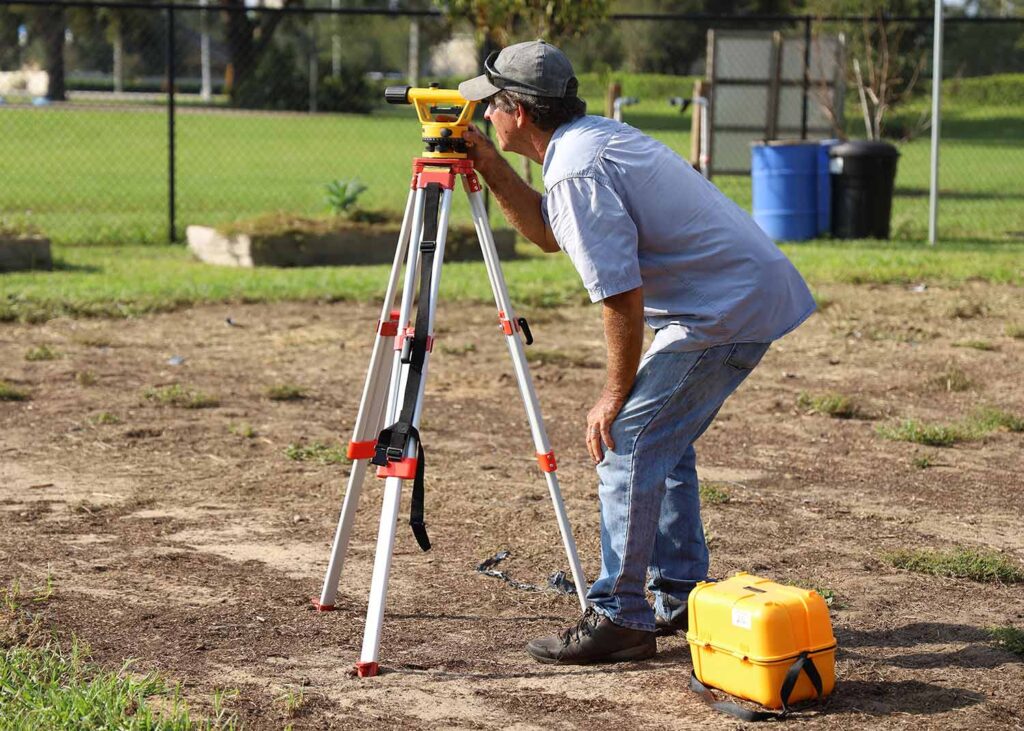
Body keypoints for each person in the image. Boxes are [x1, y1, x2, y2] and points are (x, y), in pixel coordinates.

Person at [458, 41, 815, 665]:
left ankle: (620, 615)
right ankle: (677, 593)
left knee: (625, 439)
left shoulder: (577, 168)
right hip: (730, 300)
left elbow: (620, 295)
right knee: (659, 444)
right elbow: (548, 233)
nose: (483, 115)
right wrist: (486, 163)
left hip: (721, 312)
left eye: (490, 106)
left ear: (519, 109)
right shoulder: (584, 143)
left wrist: (611, 396)